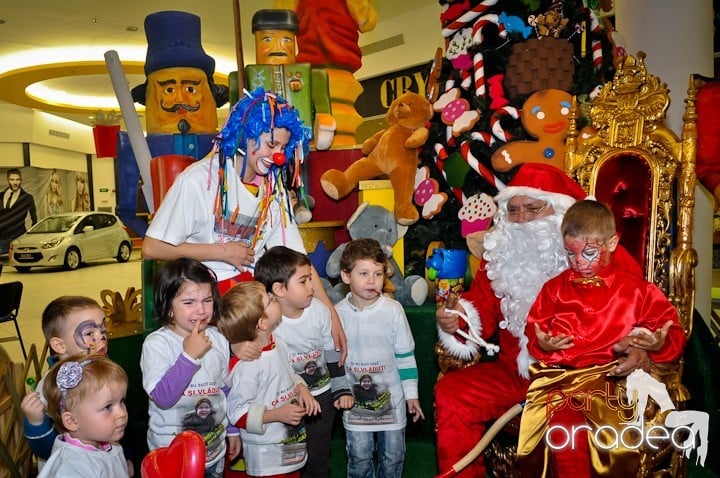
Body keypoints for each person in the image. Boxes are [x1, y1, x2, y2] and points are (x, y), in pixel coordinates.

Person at [434, 163, 648, 477]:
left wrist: (638, 344)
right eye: (514, 210)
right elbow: (479, 307)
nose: (521, 220)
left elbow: (644, 309)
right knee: (452, 393)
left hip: (578, 380)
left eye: (533, 209)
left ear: (561, 213)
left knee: (567, 422)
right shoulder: (501, 256)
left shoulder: (599, 255)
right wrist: (457, 318)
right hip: (515, 374)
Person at [141, 87, 347, 360]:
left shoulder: (273, 188)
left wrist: (330, 312)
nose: (278, 156)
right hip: (209, 297)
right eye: (271, 144)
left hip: (255, 296)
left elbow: (297, 258)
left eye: (284, 148)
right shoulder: (198, 180)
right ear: (244, 135)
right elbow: (152, 247)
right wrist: (220, 252)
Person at [518, 200, 686, 477]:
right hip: (559, 380)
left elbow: (672, 330)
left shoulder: (636, 290)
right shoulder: (553, 289)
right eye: (571, 255)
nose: (579, 263)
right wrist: (543, 343)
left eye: (589, 252)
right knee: (563, 430)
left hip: (611, 382)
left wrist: (658, 344)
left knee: (615, 445)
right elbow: (535, 329)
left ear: (611, 243)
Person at [254, 246, 354, 478]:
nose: (312, 287)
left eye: (311, 279)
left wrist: (340, 388)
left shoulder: (319, 311)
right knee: (290, 457)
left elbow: (331, 352)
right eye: (304, 281)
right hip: (288, 402)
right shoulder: (269, 322)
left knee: (318, 458)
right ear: (279, 289)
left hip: (322, 397)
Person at [140, 258, 239, 477]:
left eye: (207, 300)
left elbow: (224, 389)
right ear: (169, 307)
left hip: (214, 452)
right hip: (173, 458)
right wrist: (189, 356)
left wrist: (232, 430)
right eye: (189, 302)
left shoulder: (219, 338)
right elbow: (163, 398)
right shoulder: (157, 345)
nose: (201, 310)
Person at [335, 238, 424, 478]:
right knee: (359, 457)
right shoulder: (337, 315)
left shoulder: (393, 311)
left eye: (378, 273)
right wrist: (339, 391)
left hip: (392, 404)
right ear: (346, 276)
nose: (372, 280)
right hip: (355, 406)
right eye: (363, 273)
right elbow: (333, 360)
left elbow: (405, 356)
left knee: (393, 457)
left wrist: (411, 395)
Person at [218, 281, 321, 478]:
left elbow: (289, 375)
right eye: (270, 300)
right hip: (267, 458)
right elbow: (237, 413)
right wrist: (276, 414)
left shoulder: (277, 342)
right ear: (262, 323)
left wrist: (302, 389)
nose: (275, 298)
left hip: (291, 445)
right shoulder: (249, 366)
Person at [20, 296, 127, 472]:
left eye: (103, 331)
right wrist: (36, 422)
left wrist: (124, 457)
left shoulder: (101, 372)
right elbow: (45, 451)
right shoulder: (49, 387)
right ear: (59, 345)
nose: (100, 338)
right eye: (89, 333)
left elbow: (116, 420)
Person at [38, 354, 129, 477]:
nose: (122, 413)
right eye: (107, 407)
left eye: (122, 401)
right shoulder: (70, 470)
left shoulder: (107, 442)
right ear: (72, 421)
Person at [0, 168, 37, 254]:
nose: (15, 182)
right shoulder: (1, 196)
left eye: (17, 179)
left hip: (19, 236)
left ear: (21, 180)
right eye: (12, 179)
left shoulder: (27, 198)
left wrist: (31, 236)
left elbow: (34, 219)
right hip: (2, 237)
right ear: (8, 180)